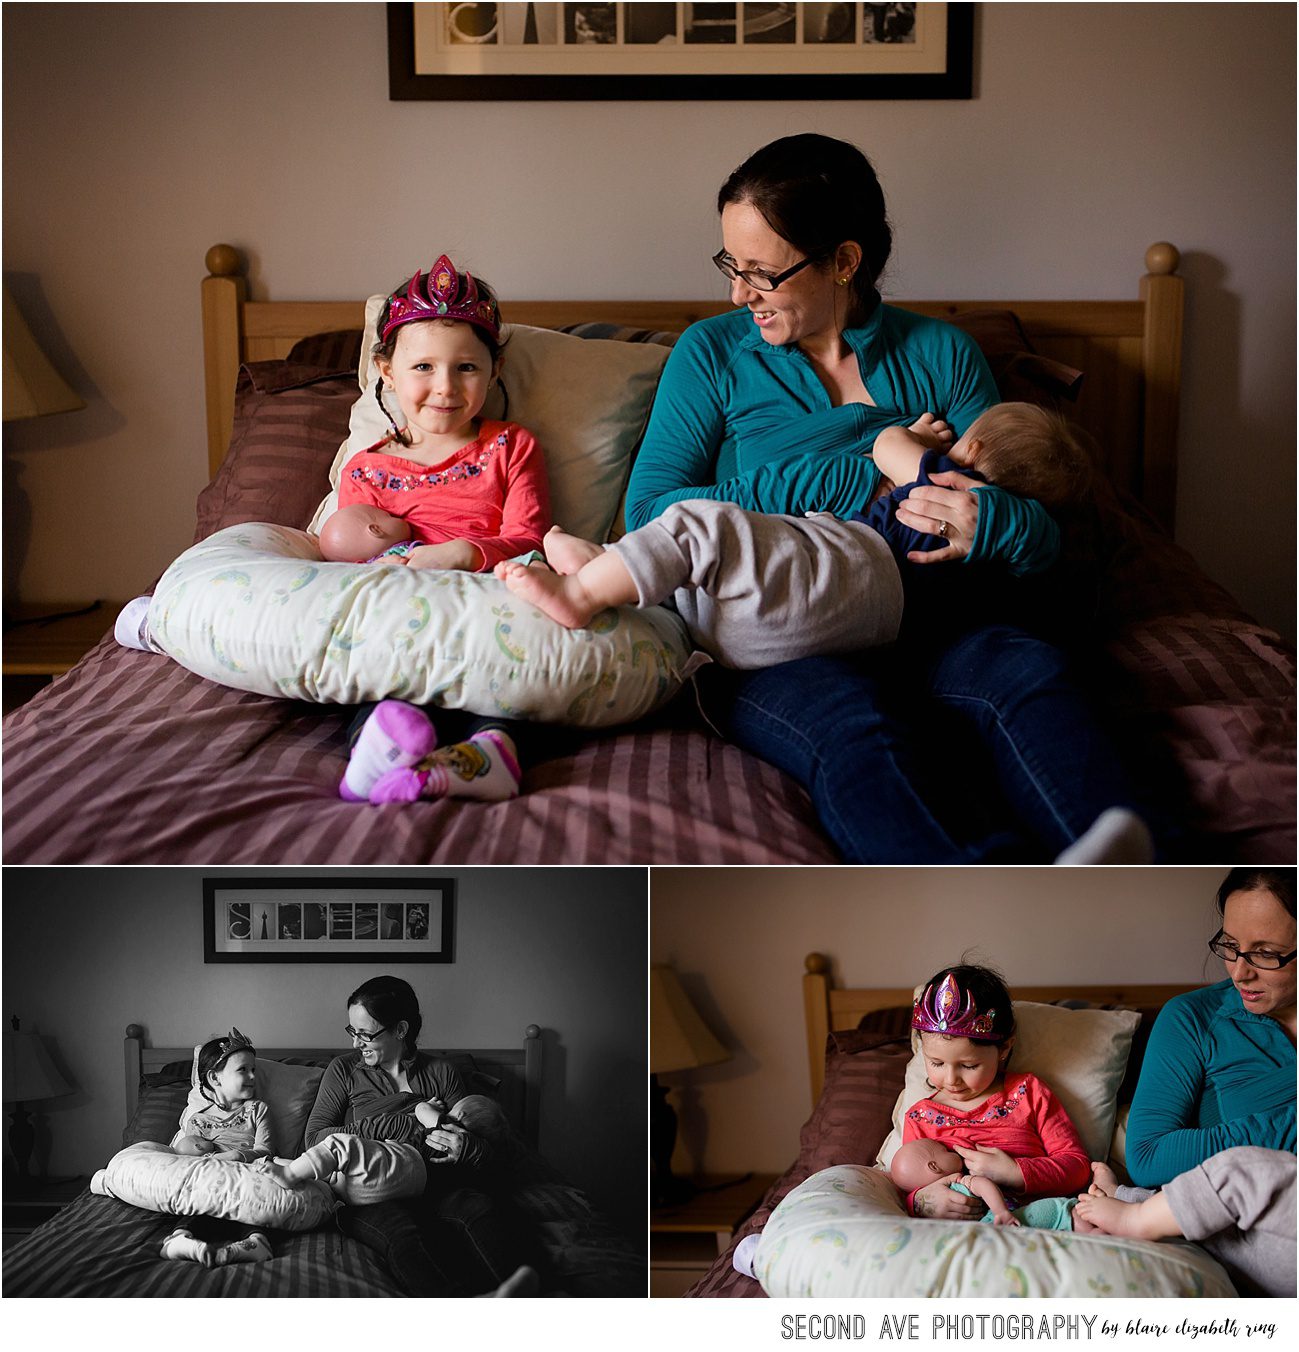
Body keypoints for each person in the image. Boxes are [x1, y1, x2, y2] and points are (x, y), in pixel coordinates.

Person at [621, 132, 1153, 864]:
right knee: (854, 730)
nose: (736, 294)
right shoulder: (711, 354)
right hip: (781, 637)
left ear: (844, 261)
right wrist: (856, 459)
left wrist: (995, 520)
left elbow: (1033, 520)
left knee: (1025, 674)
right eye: (729, 266)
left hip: (932, 617)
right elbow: (650, 515)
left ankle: (1122, 860)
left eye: (760, 274)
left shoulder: (942, 354)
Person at [496, 403, 1090, 670]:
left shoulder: (956, 488)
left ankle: (581, 594)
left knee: (703, 525)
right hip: (854, 633)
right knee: (729, 563)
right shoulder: (995, 559)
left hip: (850, 572)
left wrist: (918, 443)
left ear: (976, 448)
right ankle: (604, 563)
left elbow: (886, 446)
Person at [332, 256, 551, 807]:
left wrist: (460, 553)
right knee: (383, 681)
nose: (445, 387)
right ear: (386, 371)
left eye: (467, 368)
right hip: (404, 614)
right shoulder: (366, 469)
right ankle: (378, 749)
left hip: (490, 603)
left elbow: (528, 538)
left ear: (495, 370)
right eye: (423, 367)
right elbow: (349, 558)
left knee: (515, 685)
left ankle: (488, 754)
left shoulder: (511, 447)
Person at [1071, 868, 1296, 1296]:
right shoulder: (1195, 1019)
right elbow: (1150, 1157)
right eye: (1230, 946)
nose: (1239, 972)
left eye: (1266, 953)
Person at [302, 974, 538, 1297]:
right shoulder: (344, 1071)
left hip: (438, 1181)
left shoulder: (441, 1072)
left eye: (365, 1034)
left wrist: (467, 1147)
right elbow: (315, 1139)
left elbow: (476, 1137)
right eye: (352, 1031)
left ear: (401, 1030)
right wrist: (399, 1121)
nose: (355, 1043)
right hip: (372, 1187)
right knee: (404, 1233)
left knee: (477, 1209)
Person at [159, 1028, 274, 1267]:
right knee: (198, 1203)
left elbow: (265, 1151)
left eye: (254, 1070)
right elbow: (188, 1163)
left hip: (246, 1177)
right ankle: (181, 1238)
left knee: (255, 1203)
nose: (253, 1076)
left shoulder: (257, 1110)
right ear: (214, 1078)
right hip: (210, 1180)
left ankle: (255, 1242)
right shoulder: (198, 1121)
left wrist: (237, 1155)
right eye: (243, 1070)